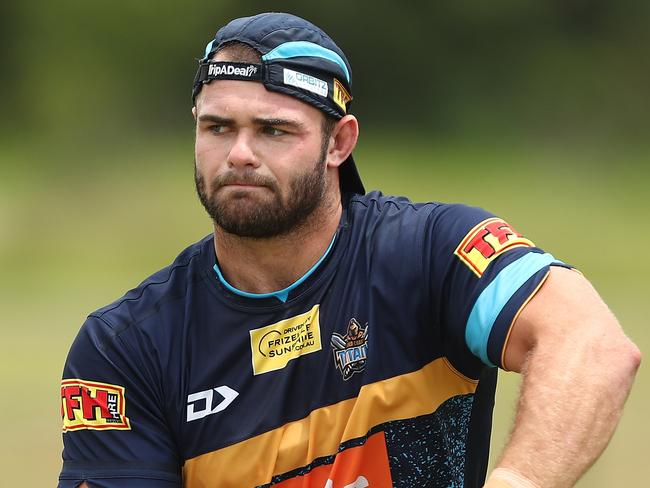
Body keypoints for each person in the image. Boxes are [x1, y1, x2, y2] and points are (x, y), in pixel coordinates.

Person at [58, 12, 641, 488]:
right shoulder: (124, 345)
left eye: (273, 130)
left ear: (339, 142)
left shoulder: (430, 253)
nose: (238, 153)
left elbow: (592, 346)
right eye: (217, 128)